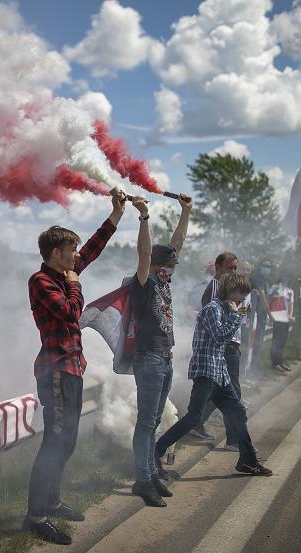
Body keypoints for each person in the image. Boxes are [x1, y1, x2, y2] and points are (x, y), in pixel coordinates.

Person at [23, 189, 127, 544]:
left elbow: (94, 249)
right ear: (56, 253)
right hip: (55, 370)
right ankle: (35, 516)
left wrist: (116, 215)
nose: (76, 255)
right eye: (70, 250)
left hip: (71, 369)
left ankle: (51, 501)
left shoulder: (64, 274)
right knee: (55, 440)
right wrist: (76, 285)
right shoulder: (41, 281)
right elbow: (71, 313)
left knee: (66, 441)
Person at [154, 273, 273, 479]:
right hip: (207, 371)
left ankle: (248, 461)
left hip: (220, 372)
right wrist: (236, 316)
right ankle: (155, 453)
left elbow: (224, 336)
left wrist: (236, 314)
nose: (242, 299)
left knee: (238, 413)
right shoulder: (212, 309)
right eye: (241, 294)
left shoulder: (225, 309)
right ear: (231, 291)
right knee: (194, 418)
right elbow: (219, 336)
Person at [129, 192, 193, 508]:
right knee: (146, 422)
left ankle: (151, 473)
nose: (171, 269)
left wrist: (186, 212)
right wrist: (144, 217)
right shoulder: (144, 282)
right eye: (167, 265)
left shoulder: (164, 281)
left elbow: (176, 244)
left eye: (173, 265)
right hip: (149, 360)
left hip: (164, 359)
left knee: (154, 421)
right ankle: (142, 480)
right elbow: (144, 253)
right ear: (155, 266)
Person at [190, 251, 239, 443]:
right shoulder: (215, 288)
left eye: (235, 268)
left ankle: (196, 421)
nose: (233, 271)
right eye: (229, 268)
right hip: (224, 346)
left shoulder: (226, 288)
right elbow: (214, 324)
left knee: (222, 392)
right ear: (218, 268)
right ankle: (233, 440)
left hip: (230, 343)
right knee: (232, 395)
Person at [248, 259, 273, 374]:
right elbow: (262, 298)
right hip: (256, 317)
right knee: (255, 343)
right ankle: (253, 368)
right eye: (265, 266)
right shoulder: (258, 279)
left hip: (261, 317)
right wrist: (270, 315)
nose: (267, 268)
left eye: (269, 266)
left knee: (258, 343)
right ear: (260, 266)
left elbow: (265, 296)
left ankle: (255, 366)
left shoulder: (265, 281)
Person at [268, 272, 295, 371]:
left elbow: (291, 304)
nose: (286, 278)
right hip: (276, 318)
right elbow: (268, 299)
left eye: (288, 276)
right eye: (285, 276)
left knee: (282, 341)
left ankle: (280, 361)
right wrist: (274, 291)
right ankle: (274, 363)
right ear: (281, 277)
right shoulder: (275, 287)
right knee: (276, 341)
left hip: (285, 319)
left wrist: (290, 315)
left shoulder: (290, 291)